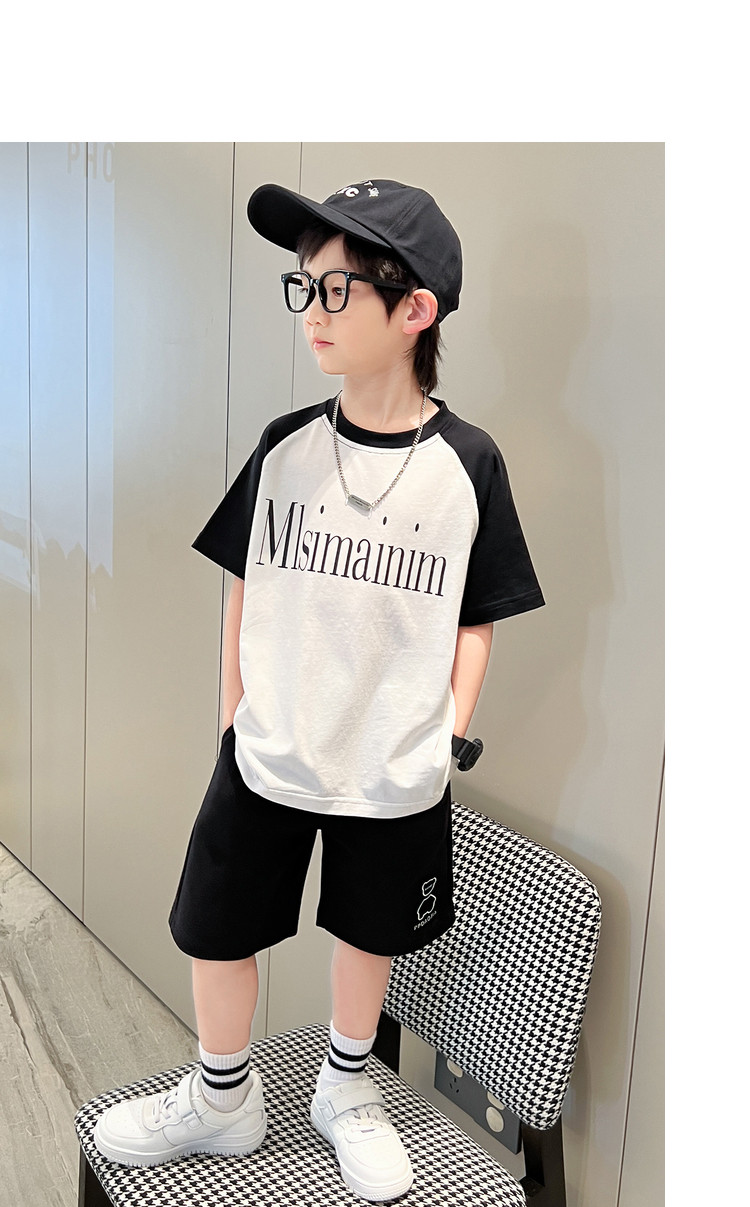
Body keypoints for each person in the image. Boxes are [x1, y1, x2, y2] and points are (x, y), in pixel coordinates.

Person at [93, 177, 545, 1201]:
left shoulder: (469, 465)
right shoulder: (285, 445)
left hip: (392, 762)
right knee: (215, 922)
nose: (313, 312)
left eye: (337, 289)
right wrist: (232, 714)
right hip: (268, 745)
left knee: (370, 931)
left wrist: (447, 734)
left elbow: (478, 614)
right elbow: (243, 584)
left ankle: (346, 1088)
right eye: (304, 287)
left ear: (415, 307)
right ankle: (222, 1094)